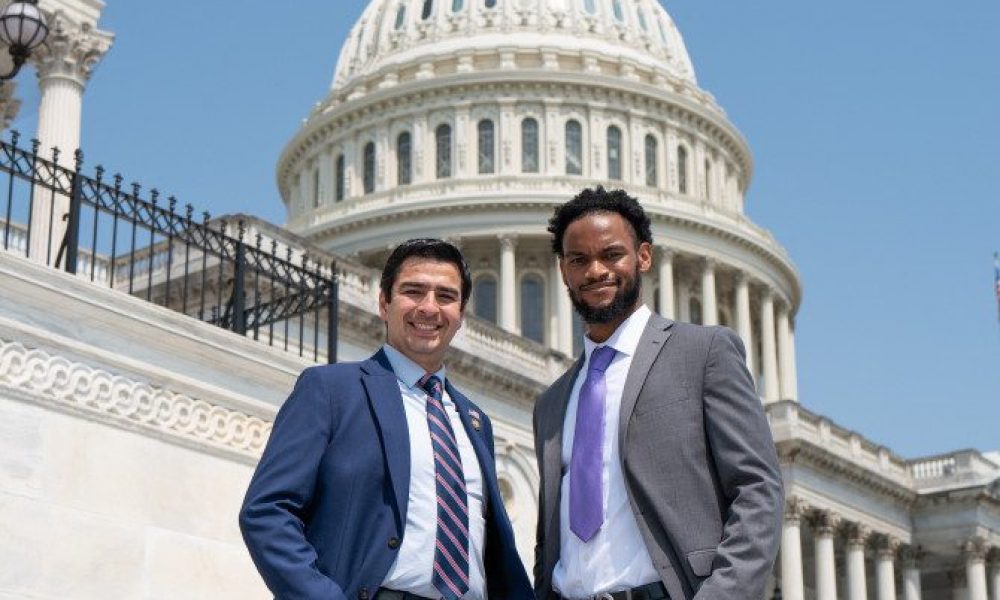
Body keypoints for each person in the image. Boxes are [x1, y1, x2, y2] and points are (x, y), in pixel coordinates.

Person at [240, 238, 533, 600]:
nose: (429, 308)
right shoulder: (332, 390)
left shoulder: (475, 421)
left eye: (445, 296)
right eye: (413, 291)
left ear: (461, 314)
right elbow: (267, 512)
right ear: (384, 302)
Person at [533, 187, 783, 600]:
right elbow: (549, 537)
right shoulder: (552, 402)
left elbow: (758, 490)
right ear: (563, 271)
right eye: (579, 260)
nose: (596, 271)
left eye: (611, 254)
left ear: (643, 257)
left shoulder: (702, 353)